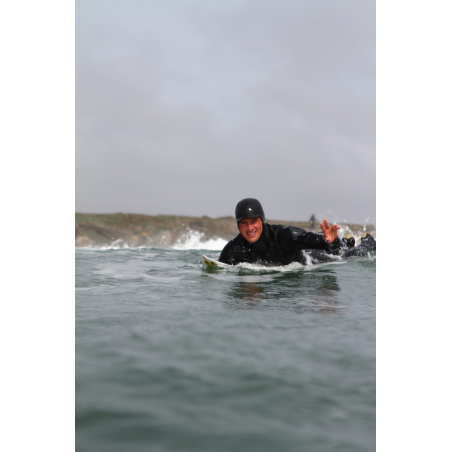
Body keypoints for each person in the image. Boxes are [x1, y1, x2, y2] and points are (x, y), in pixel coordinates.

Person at [218, 198, 342, 266]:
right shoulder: (233, 249)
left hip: (313, 259)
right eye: (244, 223)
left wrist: (331, 241)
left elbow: (324, 244)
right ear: (238, 225)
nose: (250, 228)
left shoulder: (285, 236)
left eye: (253, 221)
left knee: (346, 253)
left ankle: (357, 242)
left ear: (262, 220)